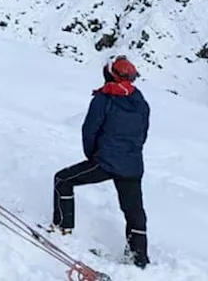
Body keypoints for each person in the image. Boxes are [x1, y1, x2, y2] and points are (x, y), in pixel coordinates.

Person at [51, 55, 150, 269]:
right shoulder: (140, 101)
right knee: (134, 211)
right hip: (132, 165)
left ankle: (62, 228)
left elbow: (89, 130)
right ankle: (139, 256)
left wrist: (94, 155)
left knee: (63, 180)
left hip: (105, 162)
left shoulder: (103, 99)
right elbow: (143, 134)